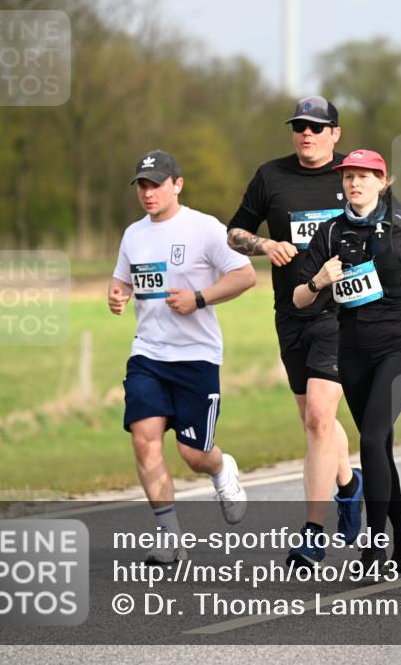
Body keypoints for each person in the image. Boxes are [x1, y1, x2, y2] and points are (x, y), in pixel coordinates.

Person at [226, 96, 362, 568]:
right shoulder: (271, 176)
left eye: (317, 127)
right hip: (291, 312)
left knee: (322, 419)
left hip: (342, 316)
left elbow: (397, 226)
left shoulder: (354, 174)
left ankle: (312, 532)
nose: (307, 134)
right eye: (299, 127)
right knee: (313, 422)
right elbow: (235, 231)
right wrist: (263, 243)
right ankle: (349, 483)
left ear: (335, 134)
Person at [108, 149, 256, 564]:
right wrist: (116, 295)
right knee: (144, 440)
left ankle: (222, 468)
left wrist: (199, 298)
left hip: (196, 357)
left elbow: (245, 275)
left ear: (177, 184)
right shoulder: (133, 235)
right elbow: (123, 281)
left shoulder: (204, 228)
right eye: (142, 185)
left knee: (193, 455)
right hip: (148, 354)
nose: (148, 192)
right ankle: (170, 537)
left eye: (156, 184)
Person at [293, 150, 401, 569]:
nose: (355, 183)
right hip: (351, 352)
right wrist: (319, 280)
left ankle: (374, 544)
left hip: (399, 348)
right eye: (349, 176)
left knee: (370, 439)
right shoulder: (331, 231)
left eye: (364, 176)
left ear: (382, 181)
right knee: (380, 448)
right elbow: (300, 298)